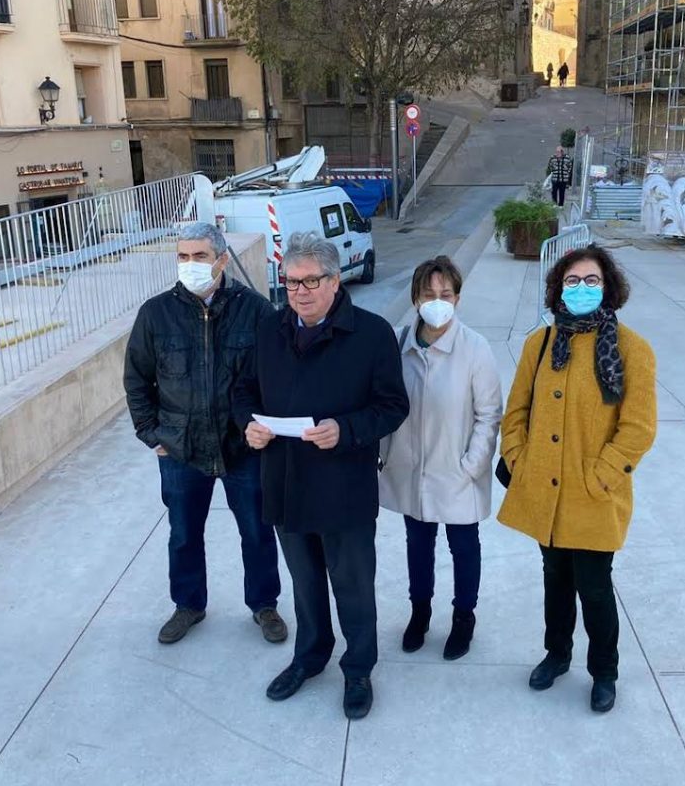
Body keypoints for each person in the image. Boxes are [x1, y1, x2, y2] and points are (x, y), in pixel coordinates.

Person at [244, 233, 409, 721]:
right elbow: (242, 392)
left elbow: (393, 406)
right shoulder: (269, 331)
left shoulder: (373, 334)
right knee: (305, 583)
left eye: (312, 280)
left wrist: (347, 428)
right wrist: (247, 426)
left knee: (353, 585)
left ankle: (358, 669)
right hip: (286, 483)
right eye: (292, 281)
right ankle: (309, 657)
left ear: (336, 281)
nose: (300, 290)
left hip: (343, 489)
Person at [498, 245, 657, 714]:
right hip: (544, 490)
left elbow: (638, 427)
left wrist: (601, 476)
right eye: (572, 281)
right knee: (554, 579)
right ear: (557, 288)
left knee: (594, 586)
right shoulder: (541, 344)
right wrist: (518, 457)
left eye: (591, 281)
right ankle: (557, 653)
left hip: (593, 495)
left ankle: (604, 671)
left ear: (608, 288)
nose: (581, 289)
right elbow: (517, 411)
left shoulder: (631, 349)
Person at [123, 222, 286, 646]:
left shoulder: (254, 310)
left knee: (256, 530)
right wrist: (150, 433)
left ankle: (264, 605)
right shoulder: (155, 314)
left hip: (242, 448)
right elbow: (137, 380)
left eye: (199, 256)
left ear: (221, 260)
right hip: (181, 449)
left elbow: (278, 376)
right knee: (183, 534)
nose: (190, 264)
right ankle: (188, 605)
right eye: (183, 256)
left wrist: (265, 428)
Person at [379, 257, 503, 661]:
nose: (437, 302)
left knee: (464, 546)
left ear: (458, 298)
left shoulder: (475, 349)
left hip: (456, 470)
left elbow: (489, 414)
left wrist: (472, 465)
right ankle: (420, 613)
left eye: (445, 294)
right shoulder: (399, 344)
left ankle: (463, 618)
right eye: (429, 294)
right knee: (418, 544)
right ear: (415, 298)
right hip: (411, 469)